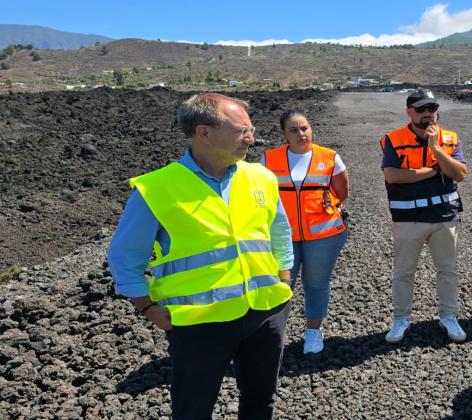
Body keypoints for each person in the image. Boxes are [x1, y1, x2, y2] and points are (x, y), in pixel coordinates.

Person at [107, 93, 294, 418]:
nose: (252, 138)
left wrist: (285, 279)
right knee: (193, 409)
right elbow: (125, 256)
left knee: (261, 401)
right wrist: (146, 306)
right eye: (242, 131)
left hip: (265, 312)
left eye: (250, 129)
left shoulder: (261, 177)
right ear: (204, 133)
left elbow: (279, 231)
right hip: (199, 324)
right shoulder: (157, 188)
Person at [379, 88, 469, 343]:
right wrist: (434, 170)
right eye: (421, 109)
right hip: (408, 218)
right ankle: (401, 319)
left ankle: (448, 317)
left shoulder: (449, 138)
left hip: (444, 216)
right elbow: (393, 175)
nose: (428, 114)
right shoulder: (392, 139)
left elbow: (460, 173)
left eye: (431, 108)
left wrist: (437, 149)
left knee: (448, 270)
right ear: (409, 112)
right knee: (403, 272)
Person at [261, 109, 349, 355]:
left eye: (305, 128)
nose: (301, 133)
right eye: (294, 130)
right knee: (280, 285)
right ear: (284, 135)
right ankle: (272, 334)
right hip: (282, 238)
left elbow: (342, 192)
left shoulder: (330, 157)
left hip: (323, 236)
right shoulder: (268, 159)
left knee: (317, 284)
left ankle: (313, 331)